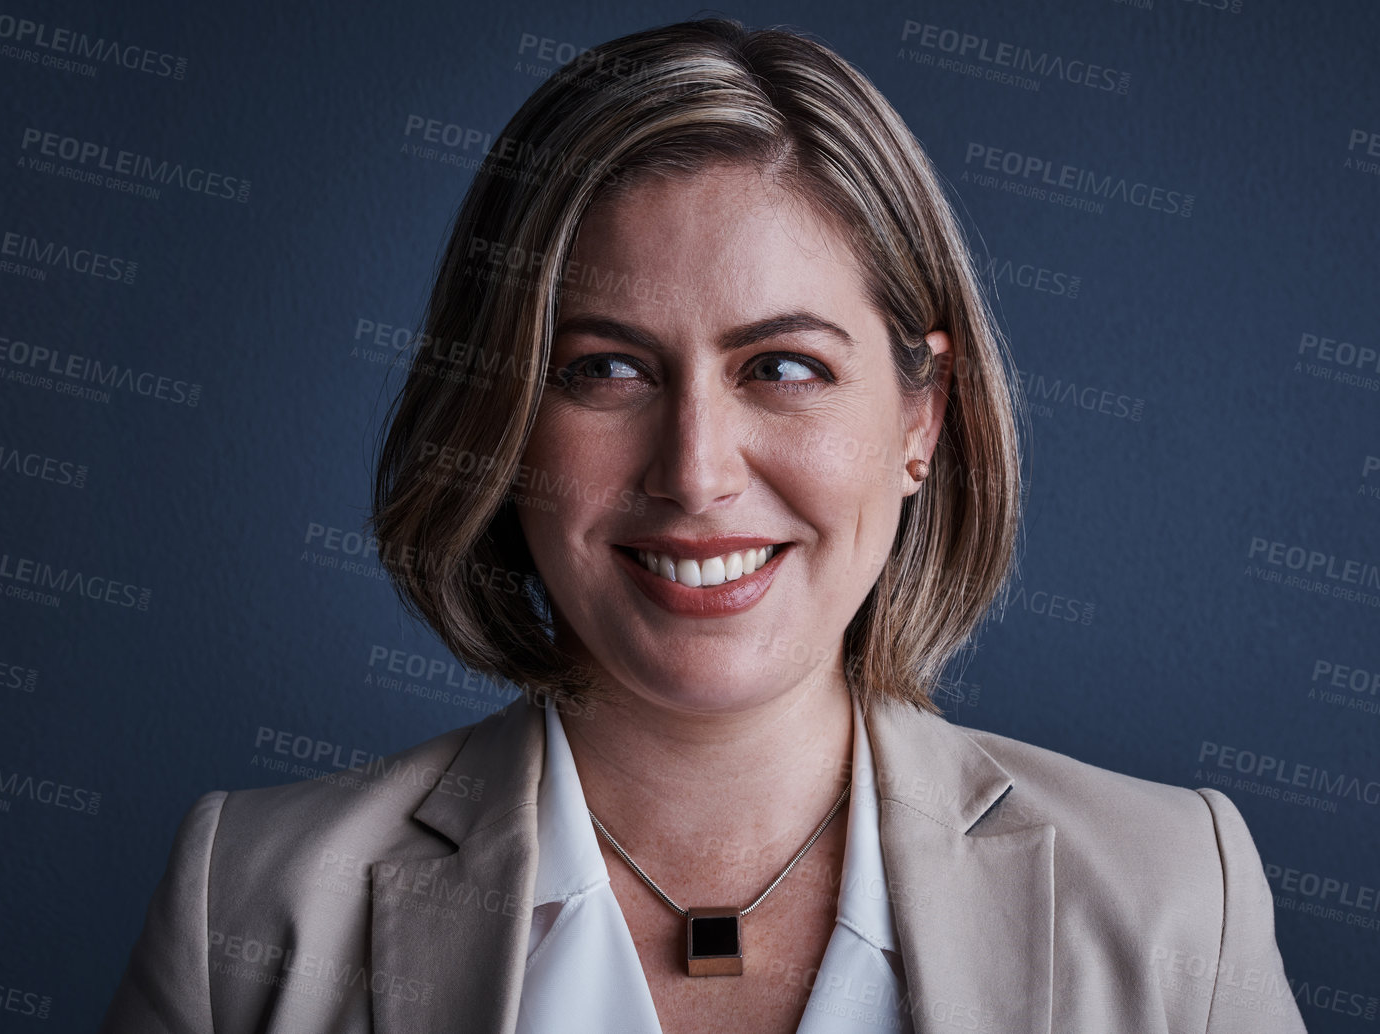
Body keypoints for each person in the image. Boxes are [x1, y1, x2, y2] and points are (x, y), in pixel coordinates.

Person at [100, 18, 1307, 1034]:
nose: (694, 471)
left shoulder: (1170, 896)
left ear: (919, 418)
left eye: (781, 364)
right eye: (605, 370)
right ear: (505, 416)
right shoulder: (248, 910)